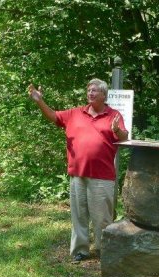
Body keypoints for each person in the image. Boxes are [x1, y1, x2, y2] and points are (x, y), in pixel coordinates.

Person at [28, 78, 128, 262]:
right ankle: (80, 251)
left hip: (102, 176)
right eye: (89, 90)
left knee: (102, 219)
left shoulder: (114, 115)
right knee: (79, 216)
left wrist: (117, 130)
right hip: (77, 174)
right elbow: (53, 116)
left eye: (95, 90)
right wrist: (39, 101)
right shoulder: (75, 113)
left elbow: (124, 137)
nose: (90, 93)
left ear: (104, 95)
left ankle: (103, 250)